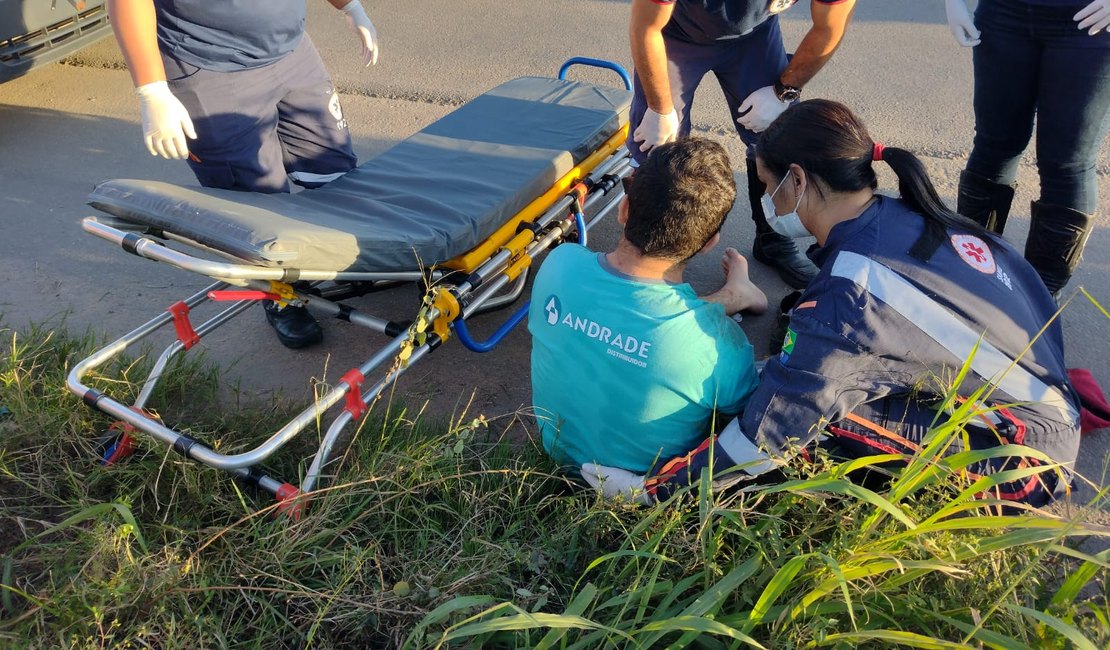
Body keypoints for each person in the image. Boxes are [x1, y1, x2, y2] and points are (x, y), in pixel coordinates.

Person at [584, 100, 1082, 509]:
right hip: (1041, 401)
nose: (767, 202)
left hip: (1019, 461)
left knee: (811, 414)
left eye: (766, 185)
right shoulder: (905, 214)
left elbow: (769, 433)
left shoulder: (849, 295)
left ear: (797, 180)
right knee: (802, 377)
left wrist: (653, 492)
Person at [107, 0, 381, 349]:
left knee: (332, 168)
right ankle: (281, 297)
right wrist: (152, 89)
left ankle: (354, 259)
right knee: (256, 203)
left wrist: (350, 7)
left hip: (291, 52)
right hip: (210, 68)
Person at [529, 138, 767, 476]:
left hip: (557, 456)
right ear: (709, 244)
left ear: (623, 210)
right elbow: (746, 405)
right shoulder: (716, 345)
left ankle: (735, 295)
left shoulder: (559, 264)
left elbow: (631, 314)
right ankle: (737, 296)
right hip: (645, 489)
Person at [628, 0, 856, 290]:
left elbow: (830, 26)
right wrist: (659, 109)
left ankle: (772, 239)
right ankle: (647, 257)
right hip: (675, 33)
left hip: (753, 36)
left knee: (780, 137)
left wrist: (783, 91)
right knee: (658, 149)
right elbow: (645, 26)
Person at [945, 0, 1110, 296]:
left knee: (1066, 163)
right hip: (1003, 13)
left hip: (1091, 23)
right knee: (994, 145)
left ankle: (1039, 299)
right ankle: (972, 277)